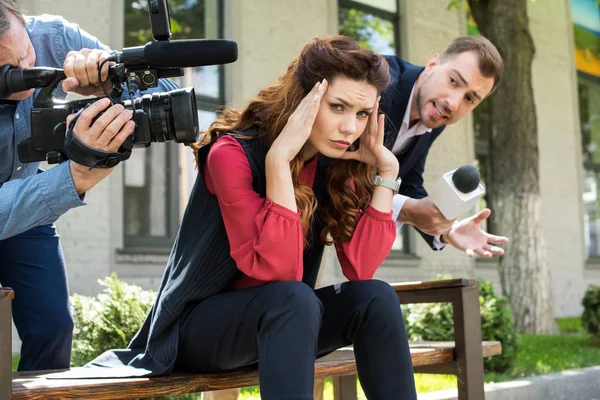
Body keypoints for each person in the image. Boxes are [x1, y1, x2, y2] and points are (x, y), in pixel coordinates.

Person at [74, 35, 416, 400]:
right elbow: (279, 271)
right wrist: (279, 162)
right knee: (294, 298)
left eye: (362, 114)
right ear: (304, 100)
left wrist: (387, 171)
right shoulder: (232, 153)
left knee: (375, 297)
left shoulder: (334, 163)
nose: (351, 128)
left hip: (283, 323)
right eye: (338, 107)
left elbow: (360, 267)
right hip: (198, 330)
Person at [0, 0, 177, 371]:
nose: (25, 71)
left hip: (29, 214)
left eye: (27, 55)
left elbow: (167, 93)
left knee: (54, 327)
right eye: (7, 71)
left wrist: (112, 81)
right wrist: (71, 178)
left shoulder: (53, 37)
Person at [380, 35, 509, 257]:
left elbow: (408, 180)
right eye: (454, 81)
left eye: (469, 99)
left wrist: (448, 229)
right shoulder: (380, 84)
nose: (453, 103)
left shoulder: (434, 116)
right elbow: (343, 171)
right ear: (432, 65)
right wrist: (406, 210)